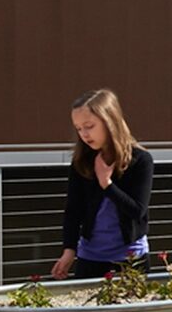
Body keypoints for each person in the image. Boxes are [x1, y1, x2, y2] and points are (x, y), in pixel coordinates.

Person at [51, 89, 156, 280]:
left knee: (133, 309)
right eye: (78, 128)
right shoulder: (82, 162)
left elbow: (138, 210)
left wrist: (107, 184)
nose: (83, 134)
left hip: (132, 257)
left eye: (89, 126)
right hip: (91, 257)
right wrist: (69, 250)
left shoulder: (141, 160)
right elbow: (73, 211)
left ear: (109, 121)